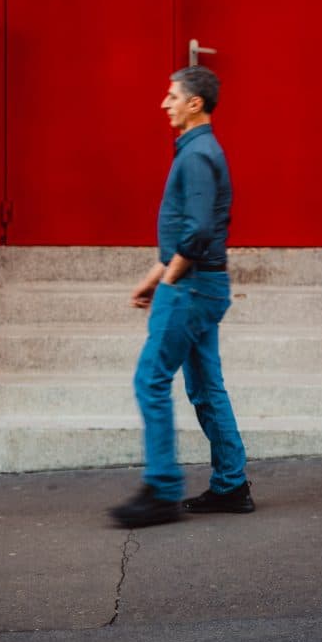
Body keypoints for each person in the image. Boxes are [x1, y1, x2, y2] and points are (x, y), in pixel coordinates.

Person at [109, 66, 254, 527]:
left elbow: (197, 234)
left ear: (195, 104)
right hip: (201, 283)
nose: (164, 104)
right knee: (206, 387)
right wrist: (155, 277)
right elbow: (190, 233)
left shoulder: (196, 156)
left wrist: (169, 280)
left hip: (191, 287)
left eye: (172, 97)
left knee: (149, 380)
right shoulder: (201, 151)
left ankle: (162, 490)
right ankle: (231, 486)